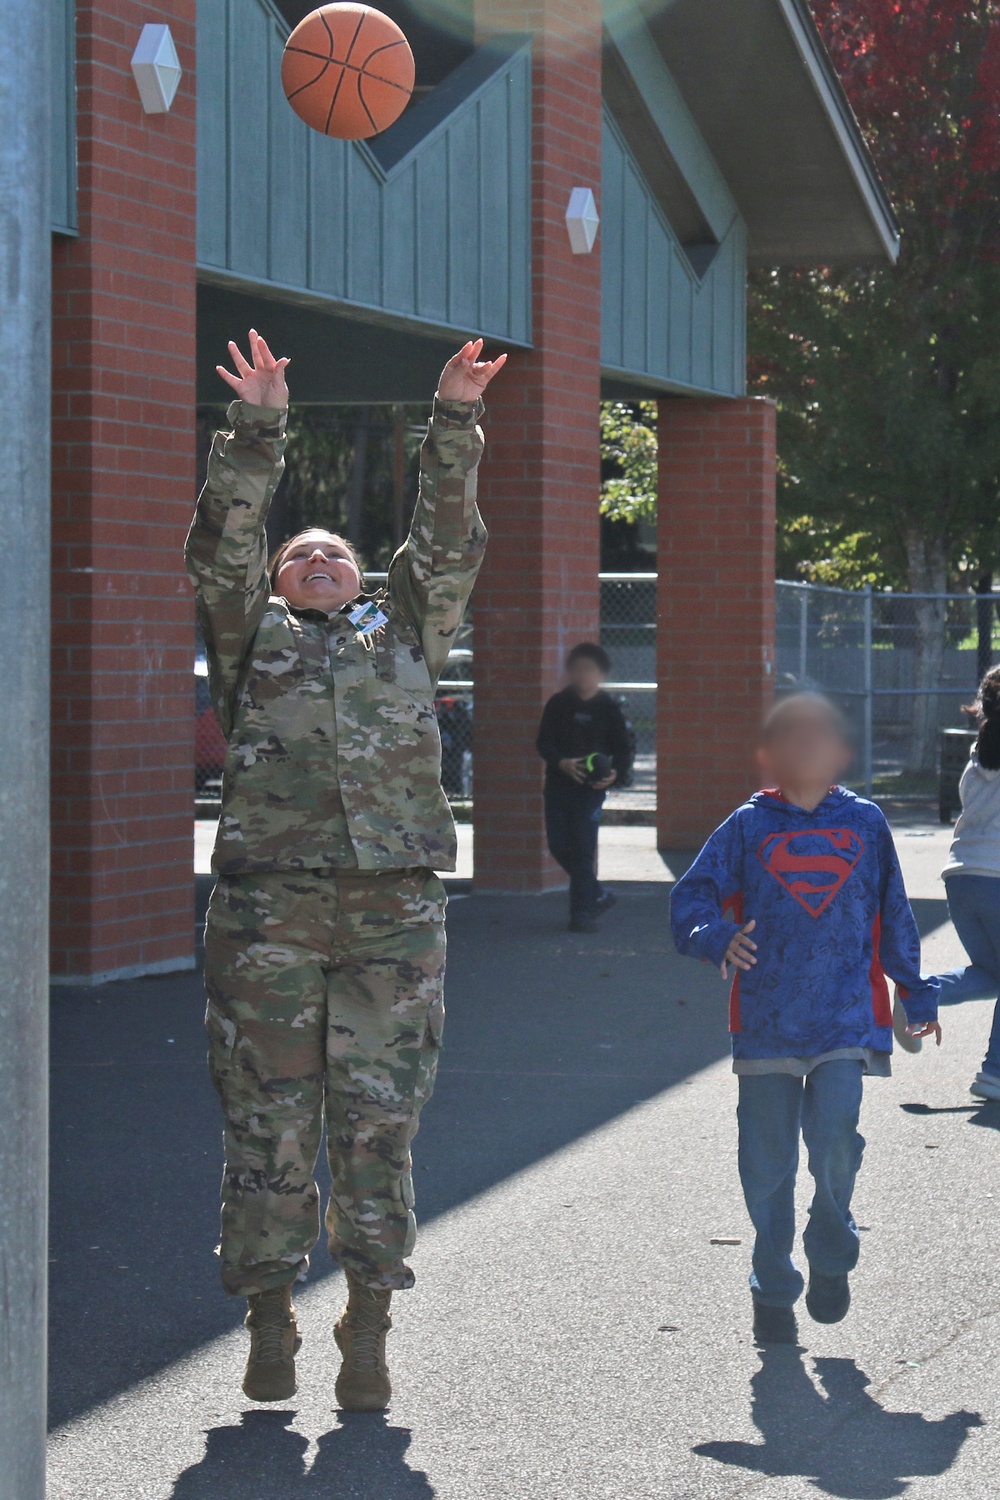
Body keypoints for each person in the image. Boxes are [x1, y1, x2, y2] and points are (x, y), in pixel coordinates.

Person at [186, 329, 506, 1408]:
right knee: (268, 1122)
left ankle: (367, 1322)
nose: (319, 561)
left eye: (337, 555)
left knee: (378, 1121)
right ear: (279, 584)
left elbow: (446, 543)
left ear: (362, 582)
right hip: (267, 916)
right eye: (300, 557)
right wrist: (258, 425)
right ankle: (268, 1315)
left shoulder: (390, 632)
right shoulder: (253, 636)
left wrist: (452, 416)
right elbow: (225, 544)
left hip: (390, 917)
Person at [670, 693, 940, 1346]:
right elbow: (691, 896)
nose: (808, 749)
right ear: (768, 754)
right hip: (765, 1023)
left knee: (835, 1143)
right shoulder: (747, 825)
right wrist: (713, 935)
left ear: (843, 751)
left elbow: (895, 909)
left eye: (821, 738)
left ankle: (832, 1242)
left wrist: (916, 991)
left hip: (847, 1020)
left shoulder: (867, 822)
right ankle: (772, 1283)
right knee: (765, 1165)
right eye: (793, 738)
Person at [927, 666, 1000, 1100]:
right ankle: (995, 1071)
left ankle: (921, 991)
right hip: (995, 878)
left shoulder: (977, 757)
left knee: (992, 975)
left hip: (961, 880)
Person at [536, 643, 633, 932]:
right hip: (557, 787)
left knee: (582, 850)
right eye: (577, 668)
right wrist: (561, 762)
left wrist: (616, 774)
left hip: (590, 792)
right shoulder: (558, 704)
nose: (582, 674)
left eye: (589, 669)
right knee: (558, 844)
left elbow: (623, 750)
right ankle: (598, 894)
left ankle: (582, 913)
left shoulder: (609, 708)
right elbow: (543, 743)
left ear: (601, 674)